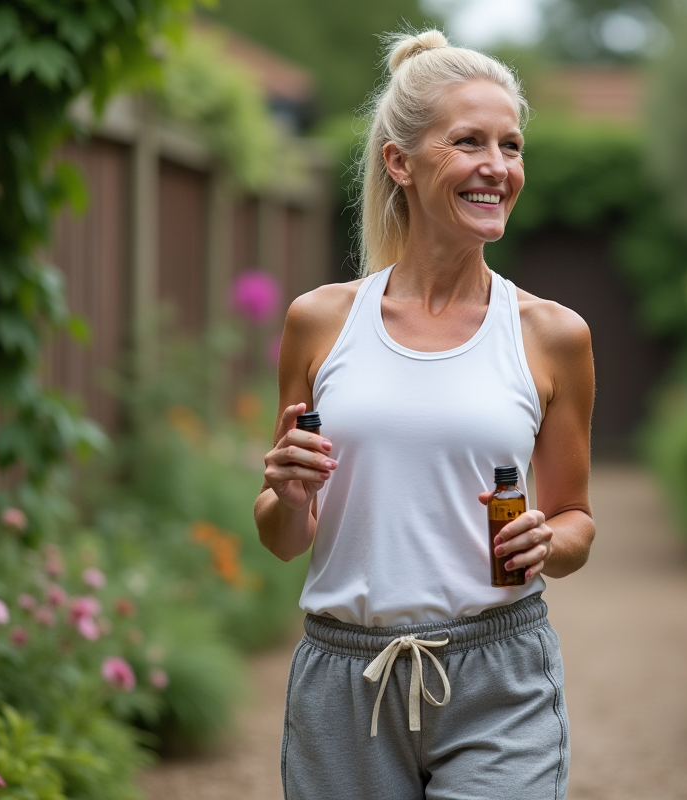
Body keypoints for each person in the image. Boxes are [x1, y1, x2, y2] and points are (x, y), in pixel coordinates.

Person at [254, 28, 595, 800]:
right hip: (345, 681)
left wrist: (551, 538)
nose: (497, 167)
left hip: (499, 675)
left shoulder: (552, 335)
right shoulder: (320, 322)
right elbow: (282, 538)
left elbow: (576, 519)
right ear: (399, 162)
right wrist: (289, 494)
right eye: (469, 141)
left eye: (510, 145)